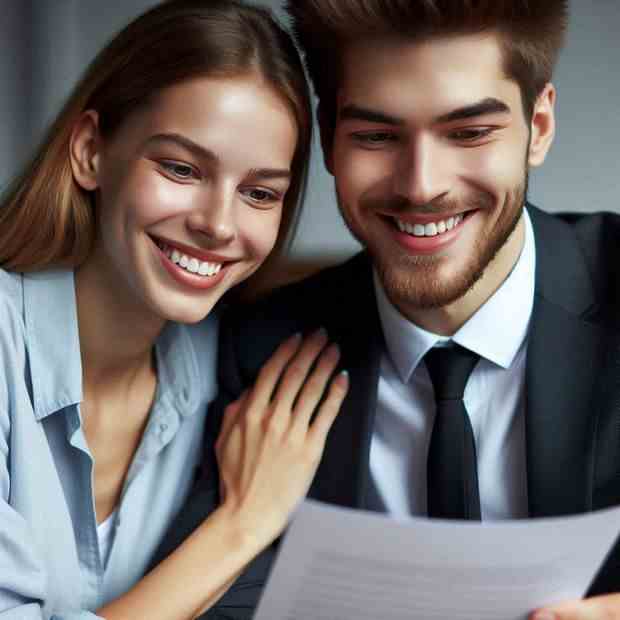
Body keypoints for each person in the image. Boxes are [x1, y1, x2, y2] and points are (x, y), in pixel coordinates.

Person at [154, 0, 620, 618]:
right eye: (376, 136)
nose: (421, 185)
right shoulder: (257, 349)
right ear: (326, 141)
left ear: (538, 128)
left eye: (470, 132)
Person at [0, 1, 350, 618]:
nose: (218, 224)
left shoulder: (223, 362)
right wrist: (243, 522)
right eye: (182, 168)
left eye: (259, 193)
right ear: (89, 151)